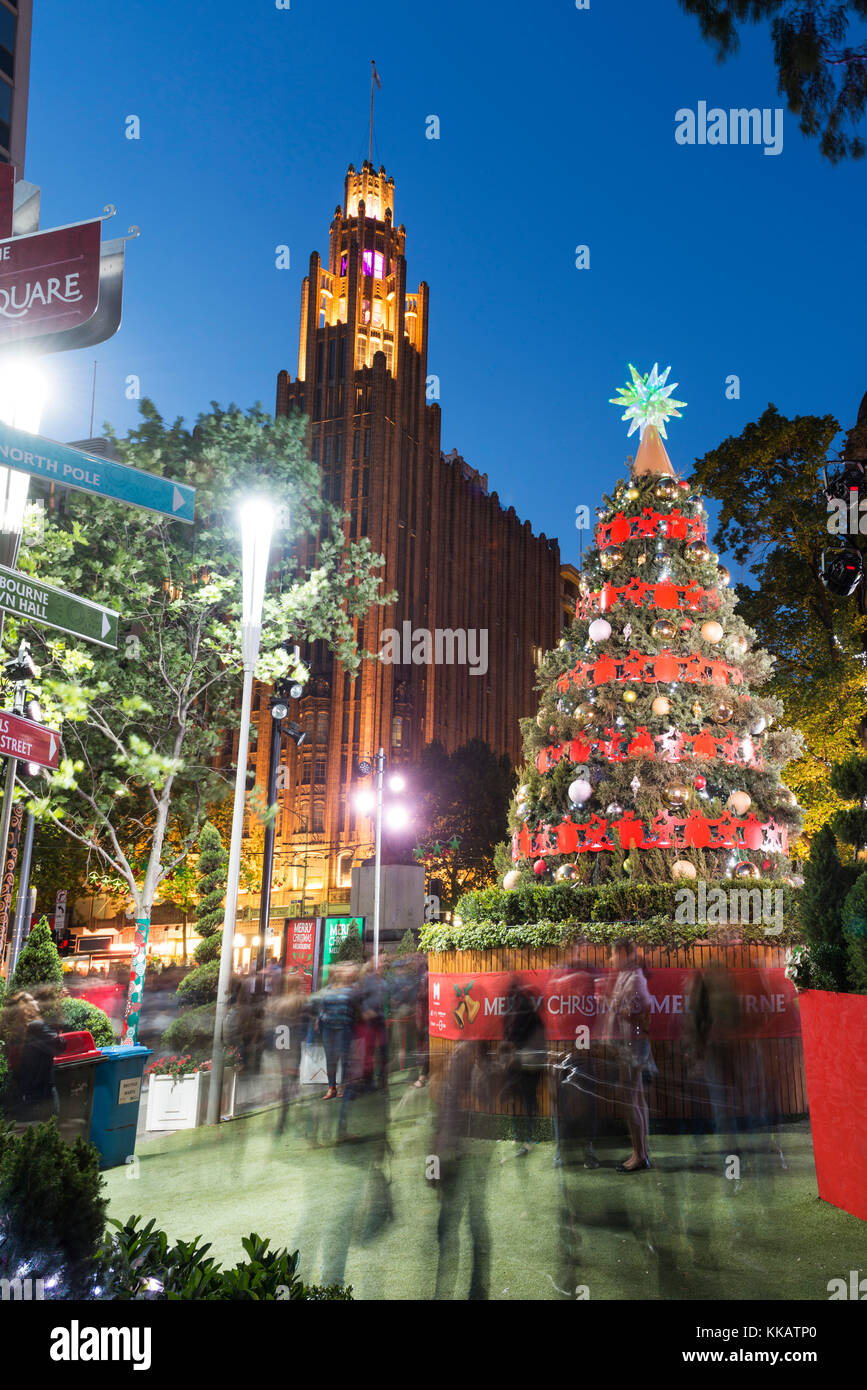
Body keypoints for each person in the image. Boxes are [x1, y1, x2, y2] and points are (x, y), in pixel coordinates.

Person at [606, 938, 655, 1172]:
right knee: (635, 1098)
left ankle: (640, 1155)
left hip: (632, 1047)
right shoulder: (628, 976)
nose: (610, 959)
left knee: (631, 1099)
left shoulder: (634, 978)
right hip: (630, 1046)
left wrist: (611, 1004)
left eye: (613, 954)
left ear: (624, 952)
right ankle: (640, 1151)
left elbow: (636, 1012)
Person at [0, 991, 65, 1124]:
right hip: (44, 1092)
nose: (36, 1002)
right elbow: (60, 1045)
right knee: (50, 1128)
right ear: (27, 1007)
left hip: (27, 1093)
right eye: (32, 1000)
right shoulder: (37, 1026)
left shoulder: (18, 1030)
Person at [500, 976, 547, 1157]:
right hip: (529, 1059)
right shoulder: (524, 1007)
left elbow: (514, 1033)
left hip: (525, 1060)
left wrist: (511, 1048)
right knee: (526, 1098)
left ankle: (525, 1136)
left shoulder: (518, 1008)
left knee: (523, 1097)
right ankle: (528, 1136)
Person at [317, 964, 357, 1100]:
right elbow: (322, 1007)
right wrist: (320, 1019)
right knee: (330, 1059)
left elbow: (355, 1007)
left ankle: (343, 1085)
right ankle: (331, 1087)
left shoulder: (351, 989)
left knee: (344, 1058)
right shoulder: (328, 989)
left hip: (344, 1027)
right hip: (328, 1028)